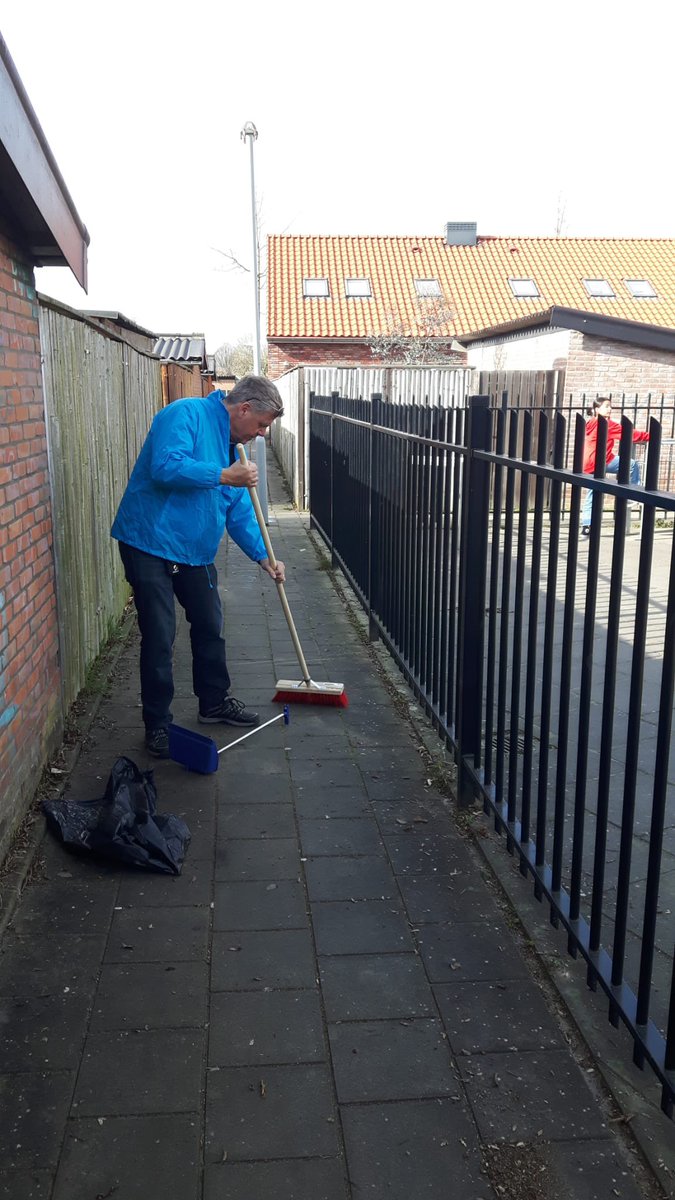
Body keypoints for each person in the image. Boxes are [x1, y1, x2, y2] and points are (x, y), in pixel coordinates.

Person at [111, 375, 285, 758]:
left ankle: (213, 702)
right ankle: (157, 724)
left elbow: (238, 510)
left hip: (195, 551)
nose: (260, 434)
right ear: (243, 409)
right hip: (149, 543)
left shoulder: (232, 447)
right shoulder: (184, 414)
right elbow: (166, 466)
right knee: (159, 634)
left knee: (210, 624)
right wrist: (224, 475)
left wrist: (264, 557)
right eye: (261, 425)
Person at [580, 397, 650, 535]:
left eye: (610, 406)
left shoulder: (590, 423)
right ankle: (634, 493)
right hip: (601, 460)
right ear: (597, 409)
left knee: (592, 492)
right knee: (632, 464)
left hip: (588, 462)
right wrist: (652, 435)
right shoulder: (607, 424)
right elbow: (631, 434)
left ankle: (587, 525)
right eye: (607, 406)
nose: (610, 409)